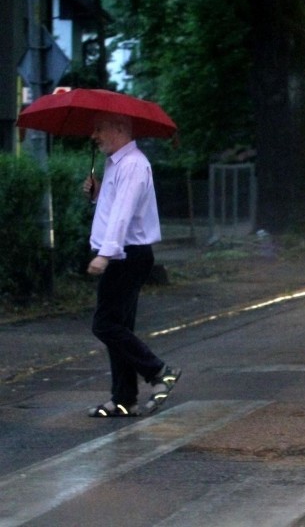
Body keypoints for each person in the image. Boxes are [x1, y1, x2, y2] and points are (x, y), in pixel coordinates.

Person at [81, 113, 181, 417]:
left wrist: (105, 253)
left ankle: (159, 372)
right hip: (123, 254)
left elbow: (123, 215)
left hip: (127, 255)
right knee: (119, 327)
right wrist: (97, 193)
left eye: (100, 128)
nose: (94, 135)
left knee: (105, 324)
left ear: (121, 128)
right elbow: (114, 207)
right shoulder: (117, 164)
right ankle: (124, 398)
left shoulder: (134, 164)